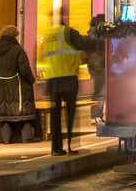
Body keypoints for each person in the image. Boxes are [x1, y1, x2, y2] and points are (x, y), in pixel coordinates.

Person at [40, 14, 101, 156]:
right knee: (70, 114)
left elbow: (42, 55)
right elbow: (85, 44)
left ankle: (56, 149)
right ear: (64, 18)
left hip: (52, 79)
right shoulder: (68, 31)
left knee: (55, 118)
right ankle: (70, 146)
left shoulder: (48, 35)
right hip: (68, 78)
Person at [0, 25, 37, 143]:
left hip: (2, 85)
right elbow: (24, 68)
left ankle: (6, 138)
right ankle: (27, 136)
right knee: (23, 111)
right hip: (18, 84)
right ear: (14, 36)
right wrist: (31, 80)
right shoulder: (18, 49)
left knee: (5, 113)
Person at [86, 15, 106, 124]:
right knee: (100, 92)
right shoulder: (96, 33)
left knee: (101, 92)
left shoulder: (92, 32)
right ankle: (96, 116)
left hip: (96, 65)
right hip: (99, 65)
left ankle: (98, 115)